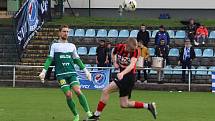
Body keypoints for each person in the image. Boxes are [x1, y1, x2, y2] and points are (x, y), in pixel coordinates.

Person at [87, 38, 157, 121]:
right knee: (124, 104)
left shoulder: (135, 51)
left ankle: (96, 116)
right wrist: (114, 62)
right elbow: (113, 53)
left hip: (129, 77)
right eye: (130, 49)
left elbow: (132, 65)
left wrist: (122, 73)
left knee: (106, 90)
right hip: (123, 76)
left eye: (133, 49)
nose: (132, 51)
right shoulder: (119, 47)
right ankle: (148, 106)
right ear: (126, 45)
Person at [39, 25, 93, 121]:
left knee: (78, 91)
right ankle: (76, 115)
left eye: (67, 32)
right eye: (64, 31)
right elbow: (49, 59)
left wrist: (86, 71)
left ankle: (88, 113)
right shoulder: (54, 46)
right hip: (61, 75)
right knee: (68, 94)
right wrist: (44, 71)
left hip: (72, 73)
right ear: (59, 33)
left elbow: (77, 60)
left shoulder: (72, 46)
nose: (66, 33)